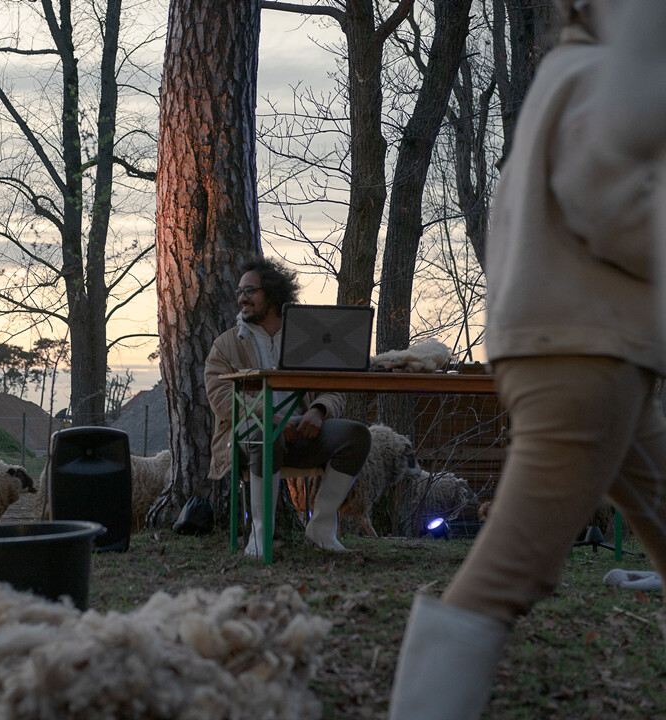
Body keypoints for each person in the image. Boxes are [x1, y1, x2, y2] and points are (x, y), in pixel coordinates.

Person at [388, 2, 666, 718]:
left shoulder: (561, 75)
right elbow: (606, 198)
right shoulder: (601, 76)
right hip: (585, 357)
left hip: (568, 350)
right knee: (509, 573)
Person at [204, 256, 371, 557]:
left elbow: (334, 388)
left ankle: (321, 527)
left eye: (250, 291)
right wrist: (272, 418)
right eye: (240, 291)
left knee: (356, 435)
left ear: (272, 293)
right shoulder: (226, 345)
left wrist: (318, 410)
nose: (242, 298)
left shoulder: (308, 339)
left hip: (304, 433)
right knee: (267, 437)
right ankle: (260, 536)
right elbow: (220, 397)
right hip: (254, 436)